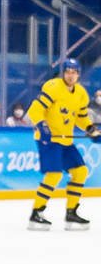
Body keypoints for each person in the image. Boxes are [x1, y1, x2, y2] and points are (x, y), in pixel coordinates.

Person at [26, 58, 97, 230]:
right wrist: (42, 126)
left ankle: (71, 213)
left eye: (74, 72)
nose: (71, 75)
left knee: (80, 171)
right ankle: (36, 213)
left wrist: (90, 128)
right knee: (54, 174)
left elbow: (80, 117)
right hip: (49, 140)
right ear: (63, 73)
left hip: (66, 140)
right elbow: (34, 110)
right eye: (68, 72)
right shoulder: (53, 87)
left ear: (78, 74)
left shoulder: (81, 93)